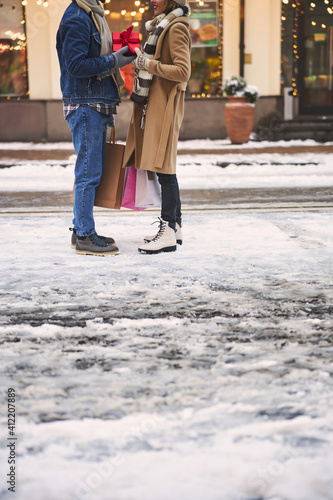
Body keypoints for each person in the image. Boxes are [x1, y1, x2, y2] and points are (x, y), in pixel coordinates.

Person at [56, 0, 135, 256]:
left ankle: (82, 229)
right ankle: (84, 236)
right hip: (85, 104)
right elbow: (75, 66)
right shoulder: (77, 18)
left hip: (94, 103)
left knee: (92, 172)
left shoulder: (92, 15)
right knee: (88, 174)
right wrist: (114, 60)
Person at [123, 0, 191, 254]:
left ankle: (168, 231)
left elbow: (183, 71)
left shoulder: (175, 28)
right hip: (157, 104)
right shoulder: (161, 27)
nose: (152, 0)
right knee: (164, 167)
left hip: (165, 106)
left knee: (164, 167)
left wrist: (146, 64)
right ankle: (175, 226)